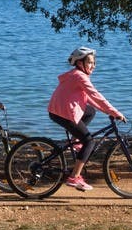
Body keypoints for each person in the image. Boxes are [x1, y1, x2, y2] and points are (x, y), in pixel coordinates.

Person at [48, 46, 126, 192]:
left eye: (94, 62)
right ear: (79, 63)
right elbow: (95, 95)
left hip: (59, 110)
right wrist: (115, 112)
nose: (93, 65)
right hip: (64, 112)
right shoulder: (80, 77)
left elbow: (90, 99)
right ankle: (74, 177)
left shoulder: (75, 75)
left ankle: (74, 141)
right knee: (90, 141)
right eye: (90, 62)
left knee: (90, 111)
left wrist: (107, 111)